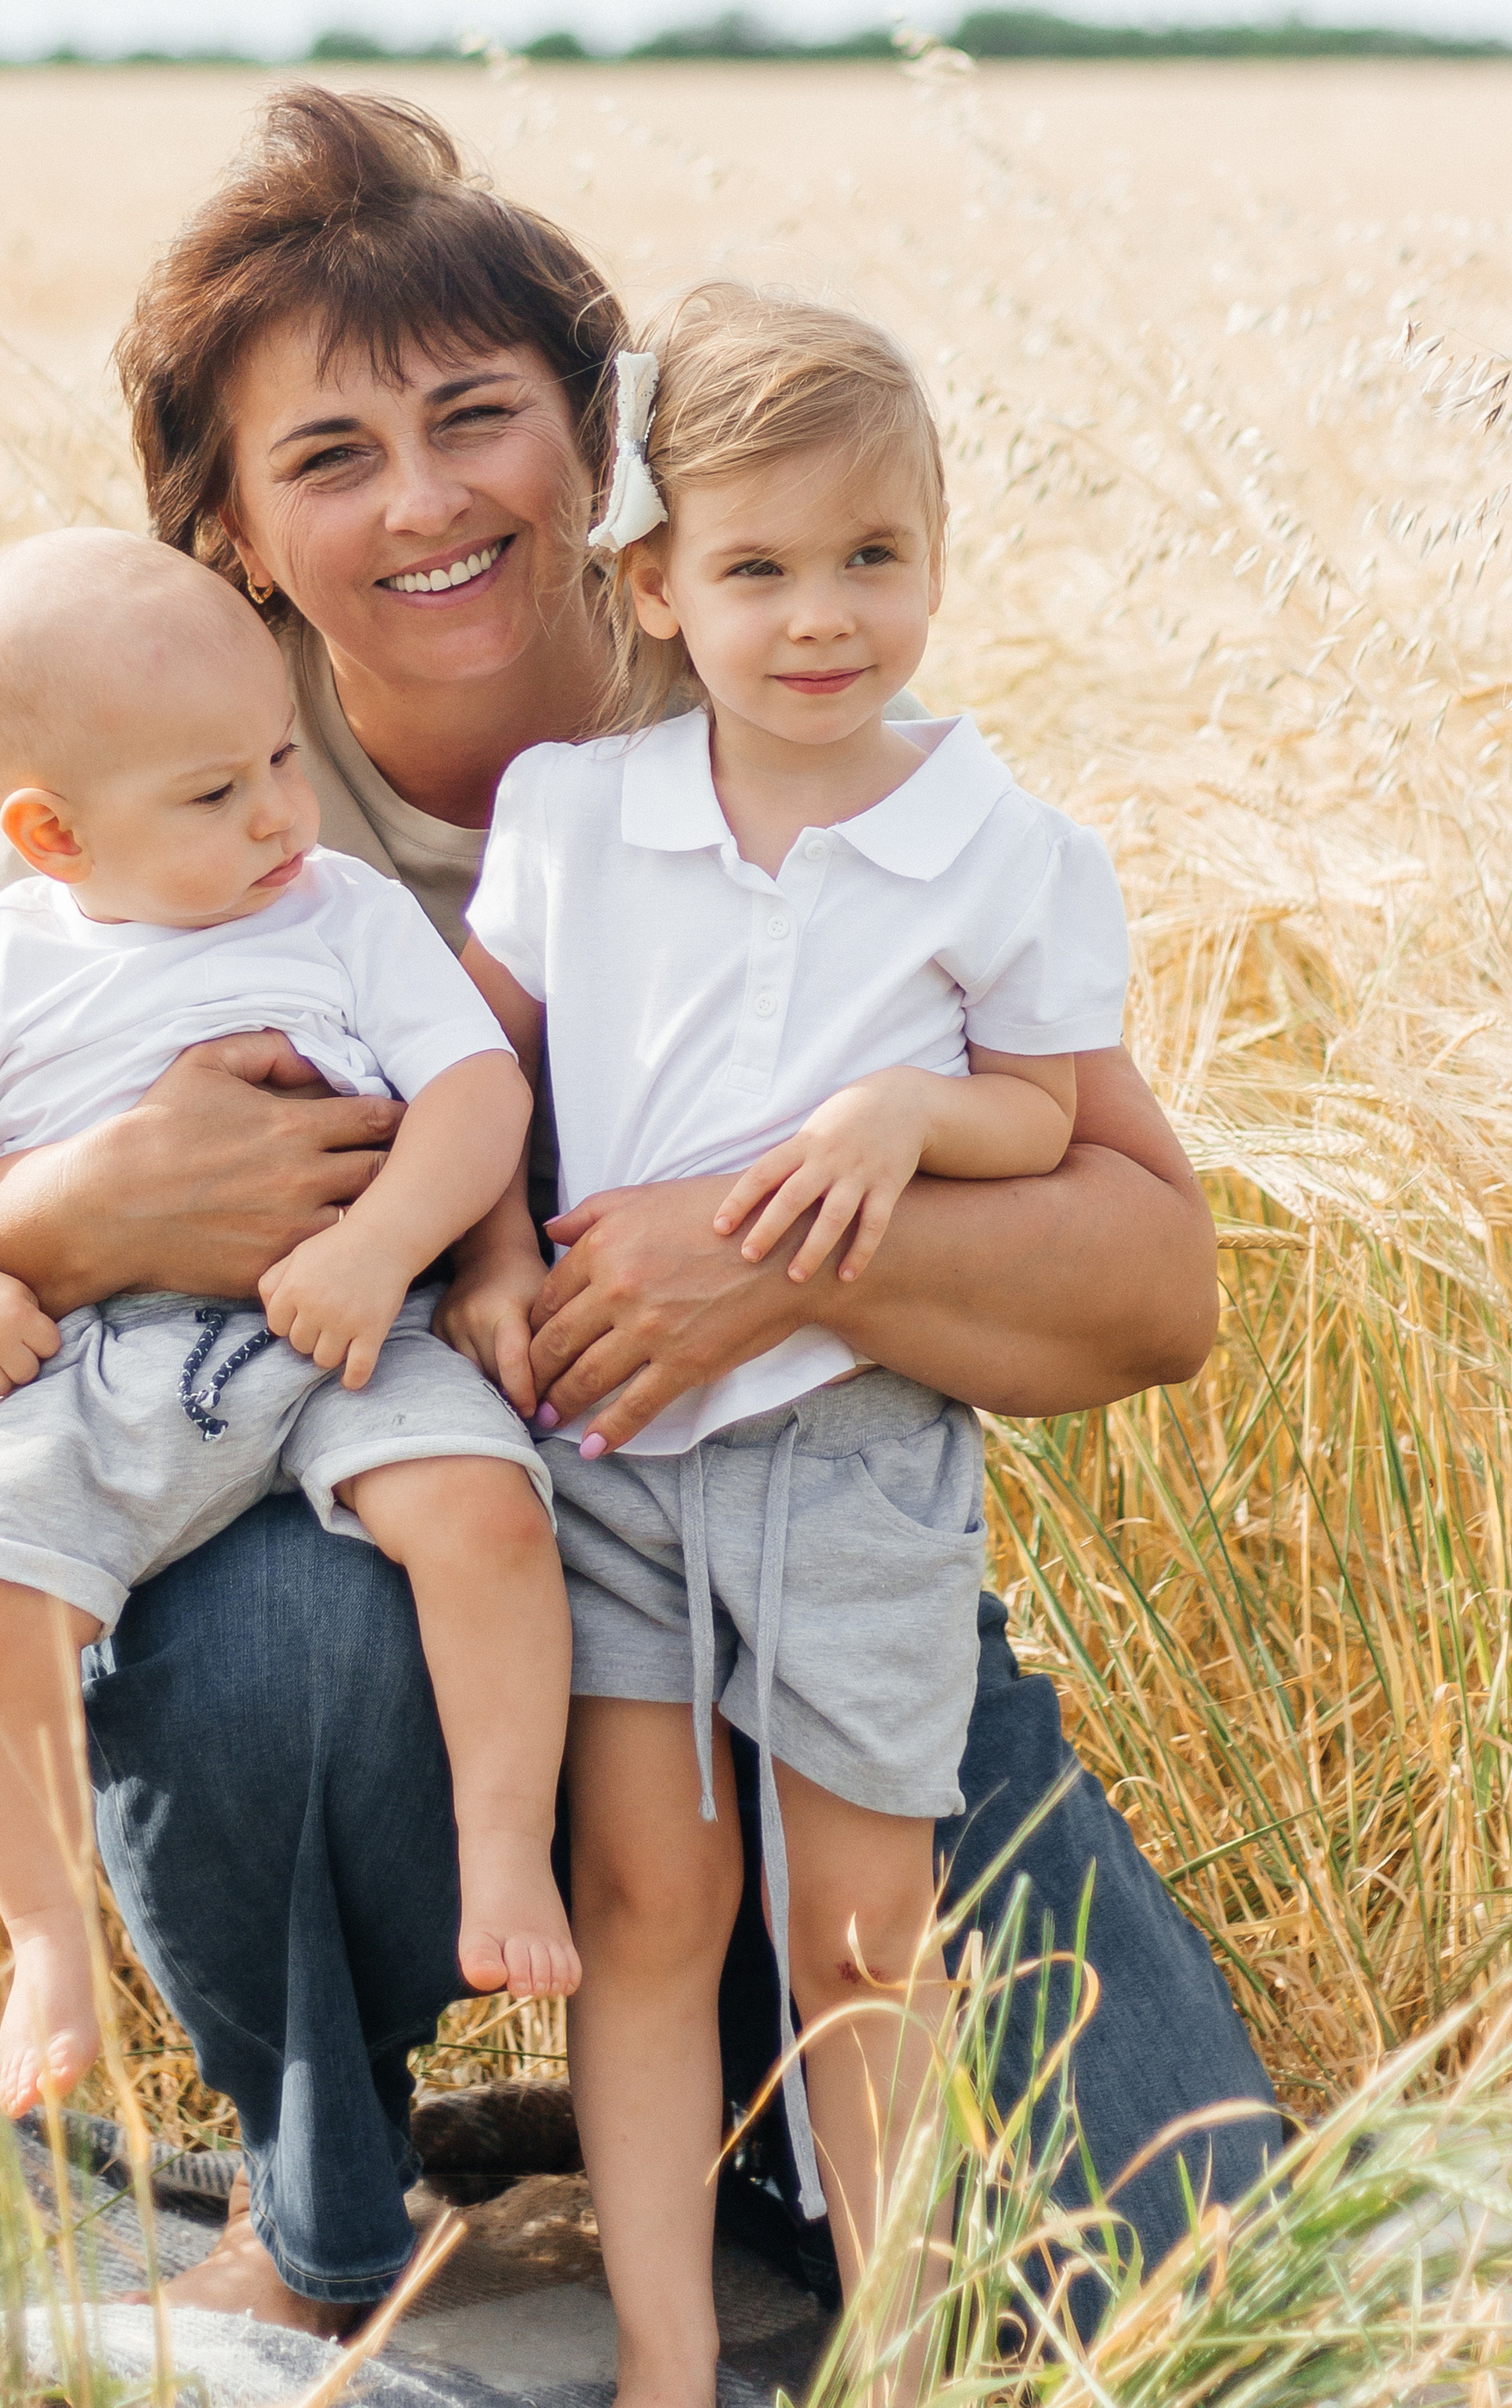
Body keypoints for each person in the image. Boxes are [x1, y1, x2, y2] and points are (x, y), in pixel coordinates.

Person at [0, 88, 1281, 2337]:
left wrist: (758, 1250)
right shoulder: (143, 790)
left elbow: (1153, 1286)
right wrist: (75, 1213)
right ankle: (330, 2191)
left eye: (480, 419)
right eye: (328, 461)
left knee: (1170, 2270)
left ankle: (756, 2137)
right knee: (277, 1618)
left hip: (797, 1590)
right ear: (233, 542)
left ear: (602, 456)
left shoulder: (777, 710)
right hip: (400, 1576)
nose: (427, 501)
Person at [454, 289, 1128, 2404]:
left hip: (850, 1453)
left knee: (857, 1930)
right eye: (753, 568)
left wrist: (901, 1116)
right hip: (614, 1446)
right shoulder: (577, 813)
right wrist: (482, 1256)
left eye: (872, 560)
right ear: (653, 583)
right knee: (648, 1896)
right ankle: (666, 2352)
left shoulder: (1000, 845)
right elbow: (482, 1076)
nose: (819, 618)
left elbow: (1042, 1111)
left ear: (933, 561)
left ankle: (897, 2357)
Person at [0, 527, 573, 2121]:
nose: (282, 812)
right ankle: (46, 1935)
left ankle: (506, 1849)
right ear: (53, 834)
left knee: (486, 1517)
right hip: (97, 1367)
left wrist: (381, 1249)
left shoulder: (343, 913)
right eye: (216, 796)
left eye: (283, 757)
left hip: (350, 1326)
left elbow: (475, 1092)